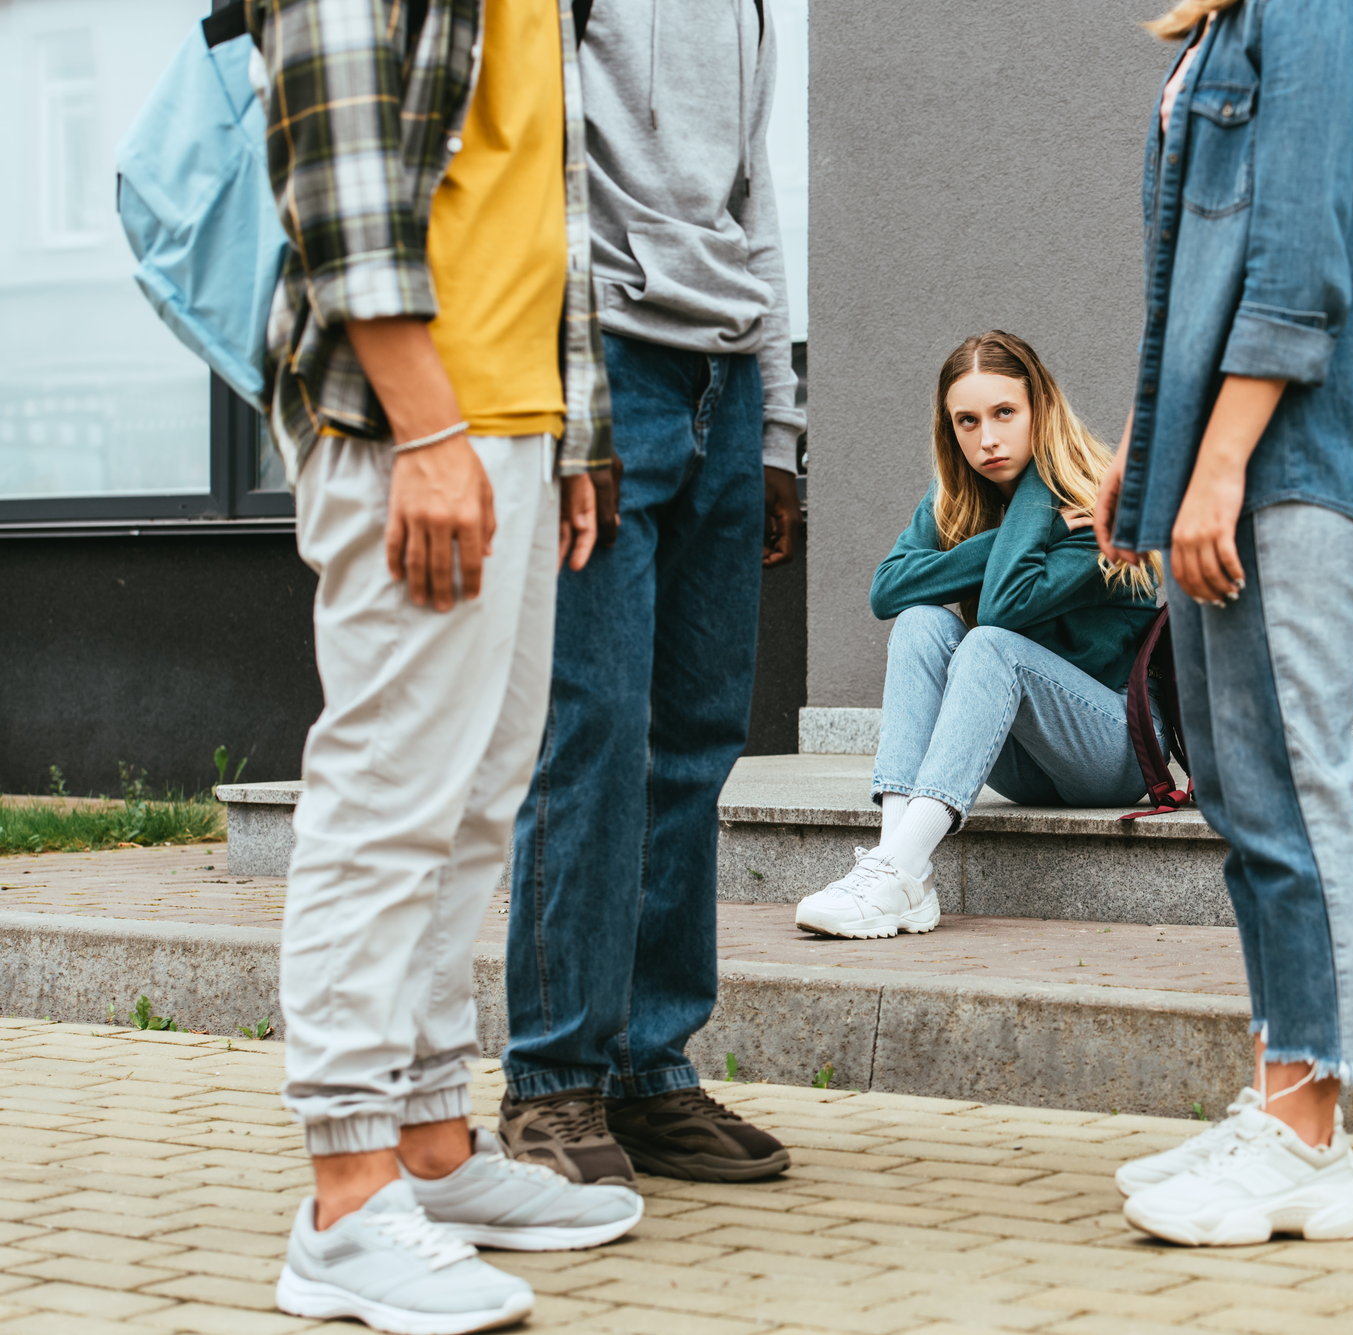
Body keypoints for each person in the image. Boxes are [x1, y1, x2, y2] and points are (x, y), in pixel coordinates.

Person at [254, 0, 644, 1328]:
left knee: (478, 797)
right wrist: (425, 424)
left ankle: (427, 1146)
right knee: (387, 799)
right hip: (409, 418)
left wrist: (574, 428)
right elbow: (337, 153)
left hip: (513, 418)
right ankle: (346, 1200)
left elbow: (547, 189)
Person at [1091, 0, 1353, 1247]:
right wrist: (1146, 452)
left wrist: (1214, 465)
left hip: (1288, 463)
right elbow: (1189, 280)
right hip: (1220, 458)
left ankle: (1313, 1138)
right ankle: (1284, 1088)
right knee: (1241, 791)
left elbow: (1297, 262)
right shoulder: (1218, 29)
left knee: (1293, 779)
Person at [495, 0, 804, 1187]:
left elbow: (752, 197)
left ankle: (649, 1068)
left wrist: (777, 427)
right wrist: (574, 412)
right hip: (608, 365)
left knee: (695, 743)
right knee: (594, 734)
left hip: (725, 382)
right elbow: (540, 173)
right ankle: (551, 1081)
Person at [792, 331, 1165, 939]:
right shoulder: (959, 500)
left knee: (988, 643)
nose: (986, 439)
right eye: (966, 422)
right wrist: (1018, 534)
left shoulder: (1099, 501)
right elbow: (888, 591)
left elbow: (1004, 606)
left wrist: (1037, 505)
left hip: (1115, 748)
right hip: (1024, 761)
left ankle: (898, 870)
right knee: (921, 621)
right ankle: (896, 866)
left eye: (1004, 413)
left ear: (1039, 411)